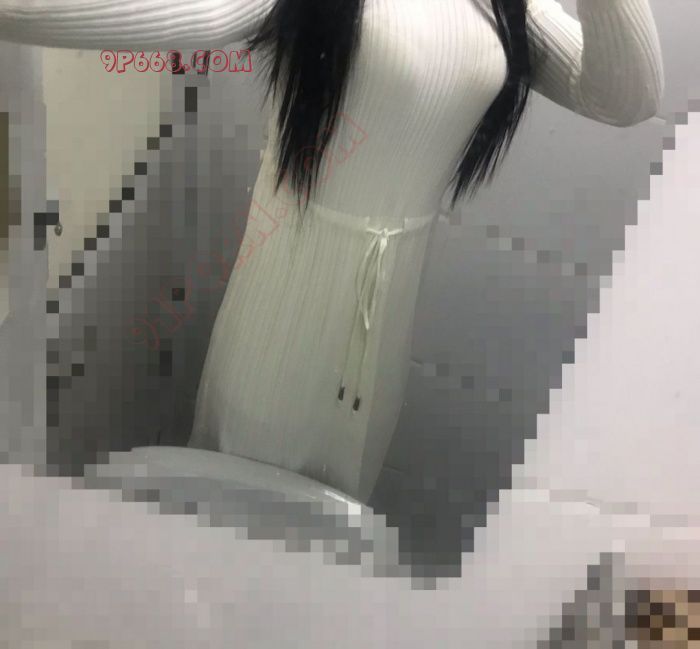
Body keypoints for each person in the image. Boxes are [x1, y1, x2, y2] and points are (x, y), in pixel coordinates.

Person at [0, 0, 664, 502]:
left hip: (380, 336)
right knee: (234, 520)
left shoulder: (507, 6)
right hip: (282, 315)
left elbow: (626, 95)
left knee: (332, 528)